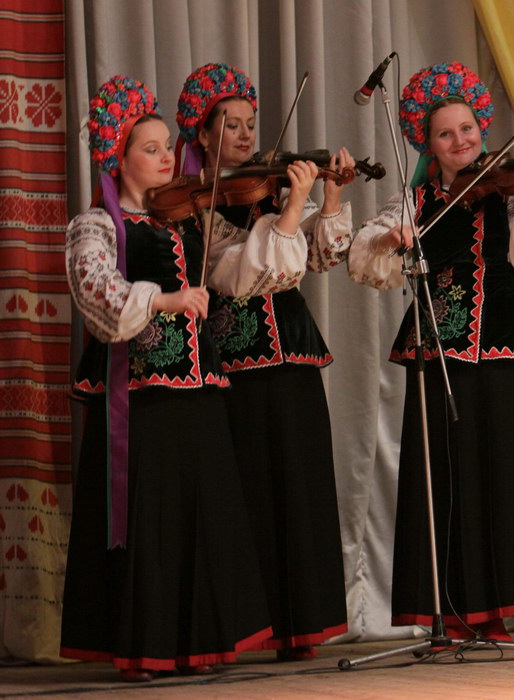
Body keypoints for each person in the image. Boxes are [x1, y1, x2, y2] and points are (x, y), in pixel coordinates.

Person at [60, 75, 276, 682]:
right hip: (142, 395)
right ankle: (147, 646)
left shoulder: (189, 218)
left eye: (165, 147)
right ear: (120, 159)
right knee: (151, 517)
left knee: (202, 510)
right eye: (150, 149)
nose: (165, 157)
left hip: (198, 388)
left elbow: (242, 267)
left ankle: (196, 642)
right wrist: (163, 299)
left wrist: (296, 209)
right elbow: (98, 292)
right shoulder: (97, 225)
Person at [348, 61, 514, 644]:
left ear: (481, 127)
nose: (460, 141)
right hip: (439, 347)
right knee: (448, 475)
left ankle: (499, 607)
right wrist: (391, 239)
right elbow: (364, 258)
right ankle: (457, 610)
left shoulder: (508, 193)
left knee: (502, 472)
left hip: (504, 344)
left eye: (467, 128)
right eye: (445, 134)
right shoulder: (414, 199)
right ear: (428, 143)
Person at [175, 63, 351, 660]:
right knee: (248, 491)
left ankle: (302, 626)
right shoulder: (194, 203)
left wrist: (328, 198)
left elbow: (320, 259)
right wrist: (291, 208)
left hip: (294, 354)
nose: (247, 134)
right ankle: (248, 627)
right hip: (237, 359)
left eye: (251, 123)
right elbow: (243, 277)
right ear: (203, 134)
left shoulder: (269, 187)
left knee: (300, 487)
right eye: (231, 124)